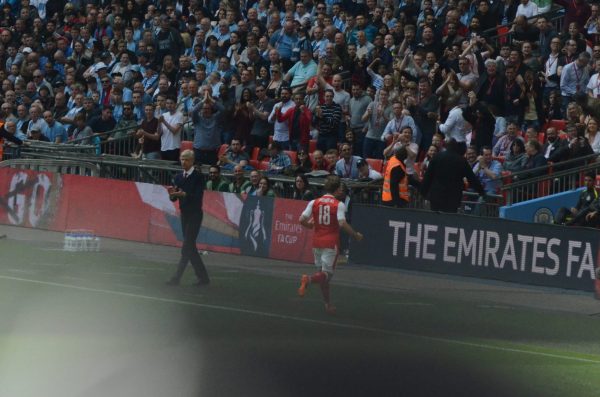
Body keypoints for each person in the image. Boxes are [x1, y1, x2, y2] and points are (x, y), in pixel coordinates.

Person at [297, 175, 363, 315]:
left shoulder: (314, 202)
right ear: (337, 188)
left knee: (323, 276)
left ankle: (327, 304)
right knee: (326, 275)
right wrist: (355, 235)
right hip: (330, 242)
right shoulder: (338, 204)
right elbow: (342, 223)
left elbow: (301, 219)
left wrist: (310, 226)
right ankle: (308, 279)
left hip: (316, 242)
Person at [166, 150, 210, 286]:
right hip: (184, 214)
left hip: (195, 214)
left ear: (191, 161)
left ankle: (177, 277)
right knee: (190, 247)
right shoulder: (178, 177)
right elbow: (174, 198)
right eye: (182, 159)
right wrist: (172, 195)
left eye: (186, 159)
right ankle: (203, 277)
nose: (183, 162)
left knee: (187, 246)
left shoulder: (198, 177)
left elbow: (198, 197)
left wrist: (183, 194)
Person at [421, 139, 485, 213]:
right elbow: (471, 178)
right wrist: (481, 191)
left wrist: (423, 192)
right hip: (453, 197)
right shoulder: (461, 160)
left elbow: (428, 176)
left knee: (436, 219)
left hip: (436, 195)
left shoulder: (436, 157)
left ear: (446, 146)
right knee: (449, 220)